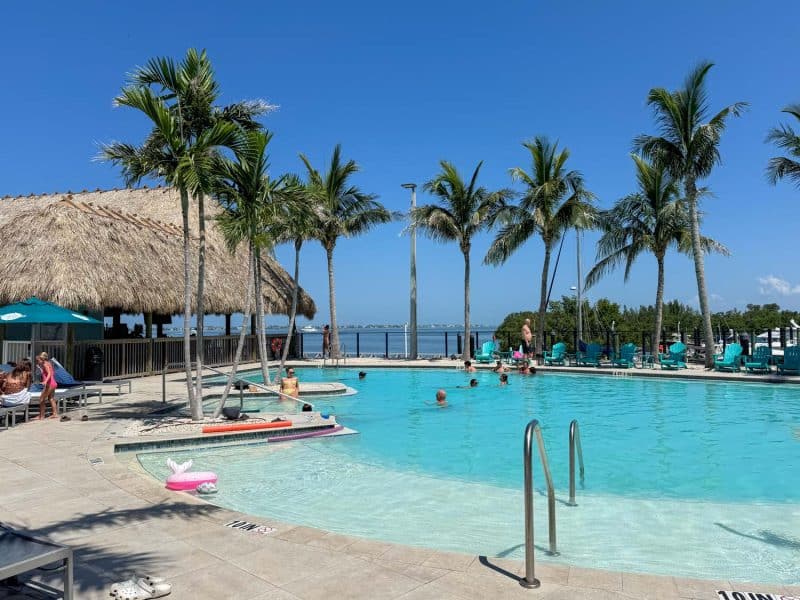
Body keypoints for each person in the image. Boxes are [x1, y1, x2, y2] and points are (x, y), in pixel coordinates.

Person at [36, 352, 58, 420]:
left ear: (42, 359)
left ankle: (41, 416)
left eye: (38, 360)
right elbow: (51, 373)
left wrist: (45, 381)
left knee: (41, 399)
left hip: (49, 384)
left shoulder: (45, 364)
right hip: (53, 383)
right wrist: (40, 368)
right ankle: (55, 414)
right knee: (51, 398)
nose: (37, 362)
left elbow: (49, 374)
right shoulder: (48, 363)